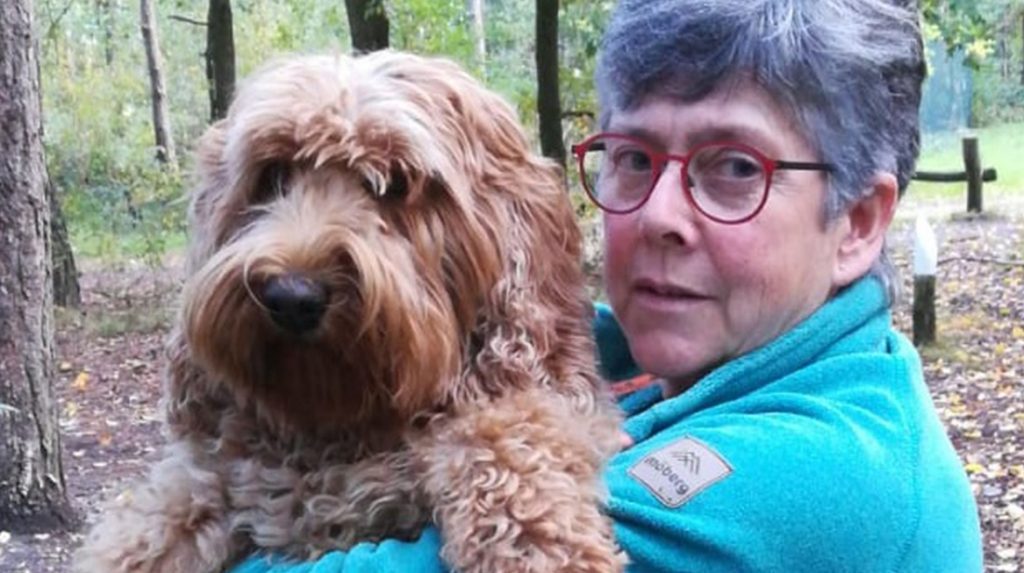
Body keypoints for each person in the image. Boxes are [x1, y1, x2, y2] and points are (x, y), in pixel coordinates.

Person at [232, 0, 983, 570]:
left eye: (734, 168)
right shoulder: (643, 348)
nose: (658, 213)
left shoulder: (828, 472)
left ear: (857, 220)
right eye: (633, 156)